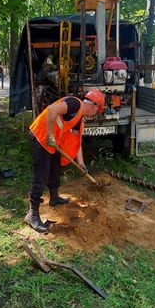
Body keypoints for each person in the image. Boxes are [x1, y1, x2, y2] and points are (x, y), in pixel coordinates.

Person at [25, 90, 106, 233]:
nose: (95, 115)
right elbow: (51, 110)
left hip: (52, 142)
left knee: (55, 168)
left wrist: (81, 163)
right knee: (41, 175)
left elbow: (76, 142)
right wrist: (50, 135)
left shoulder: (79, 117)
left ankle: (54, 197)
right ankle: (32, 214)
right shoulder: (74, 104)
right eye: (97, 111)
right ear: (94, 106)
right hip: (42, 136)